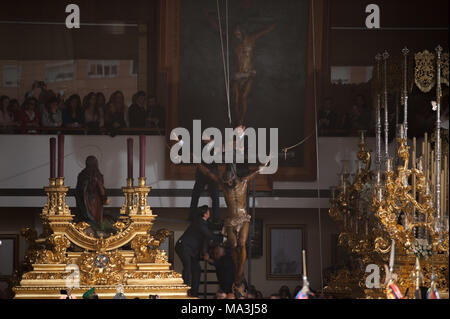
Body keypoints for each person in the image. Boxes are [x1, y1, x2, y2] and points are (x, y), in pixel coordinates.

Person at [175, 205, 217, 297]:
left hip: (192, 250)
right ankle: (184, 291)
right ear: (205, 214)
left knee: (197, 270)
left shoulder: (204, 223)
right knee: (188, 267)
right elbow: (209, 234)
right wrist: (221, 238)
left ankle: (194, 294)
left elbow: (208, 232)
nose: (210, 213)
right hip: (184, 246)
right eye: (208, 211)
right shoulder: (199, 223)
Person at [190, 139, 220, 223]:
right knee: (195, 194)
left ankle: (216, 218)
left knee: (215, 196)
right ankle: (192, 216)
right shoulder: (199, 146)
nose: (204, 139)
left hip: (212, 172)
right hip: (201, 172)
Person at [75, 156, 109, 229]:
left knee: (92, 216)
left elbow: (78, 191)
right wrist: (104, 197)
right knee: (92, 216)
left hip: (91, 200)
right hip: (92, 200)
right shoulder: (96, 174)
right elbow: (101, 190)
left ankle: (93, 225)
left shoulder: (83, 174)